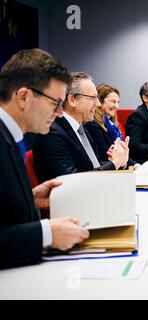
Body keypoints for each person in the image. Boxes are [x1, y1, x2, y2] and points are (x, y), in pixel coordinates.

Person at [0, 48, 89, 269]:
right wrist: (46, 233)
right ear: (23, 97)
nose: (60, 112)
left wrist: (28, 198)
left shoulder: (10, 137)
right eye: (55, 103)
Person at [33, 72, 130, 182]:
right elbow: (73, 182)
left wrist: (120, 160)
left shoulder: (82, 128)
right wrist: (114, 163)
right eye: (93, 98)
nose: (98, 104)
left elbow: (92, 166)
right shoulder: (52, 134)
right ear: (72, 99)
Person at [84, 83, 137, 167]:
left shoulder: (113, 125)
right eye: (113, 101)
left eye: (118, 102)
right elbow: (105, 157)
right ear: (100, 101)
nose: (117, 106)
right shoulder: (94, 125)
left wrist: (135, 165)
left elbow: (121, 155)